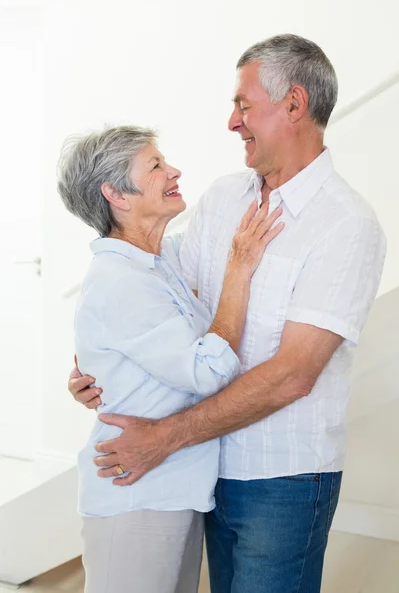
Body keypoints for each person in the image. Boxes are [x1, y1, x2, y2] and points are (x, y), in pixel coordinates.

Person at [69, 35, 386, 593]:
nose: (231, 123)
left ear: (293, 105)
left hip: (281, 479)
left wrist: (167, 436)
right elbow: (160, 299)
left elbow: (293, 374)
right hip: (208, 472)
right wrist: (101, 362)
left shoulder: (345, 224)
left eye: (243, 106)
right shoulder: (221, 200)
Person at [58, 125, 283, 593]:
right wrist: (241, 268)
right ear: (115, 193)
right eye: (156, 165)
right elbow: (207, 371)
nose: (174, 171)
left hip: (172, 490)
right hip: (136, 496)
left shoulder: (162, 262)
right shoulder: (123, 280)